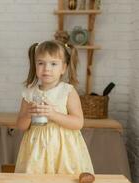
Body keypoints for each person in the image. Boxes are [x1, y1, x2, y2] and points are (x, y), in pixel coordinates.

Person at [15, 40, 94, 174]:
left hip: (63, 149)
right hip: (36, 150)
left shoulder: (67, 91)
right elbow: (21, 126)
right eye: (41, 63)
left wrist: (54, 115)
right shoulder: (29, 93)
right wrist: (28, 114)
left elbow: (78, 123)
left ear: (63, 68)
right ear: (35, 66)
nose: (47, 68)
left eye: (53, 64)